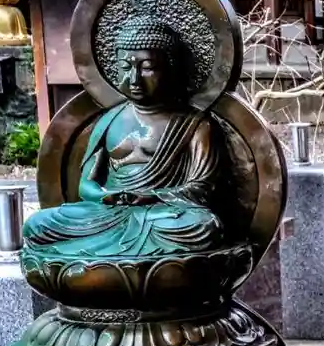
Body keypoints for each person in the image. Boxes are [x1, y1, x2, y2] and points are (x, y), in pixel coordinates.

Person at [23, 19, 226, 258]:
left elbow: (203, 188)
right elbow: (86, 185)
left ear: (170, 68)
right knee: (37, 225)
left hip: (161, 214)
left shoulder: (195, 124)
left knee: (204, 226)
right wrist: (105, 196)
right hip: (107, 213)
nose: (135, 78)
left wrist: (150, 196)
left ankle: (104, 252)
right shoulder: (108, 120)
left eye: (147, 68)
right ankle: (127, 252)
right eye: (125, 67)